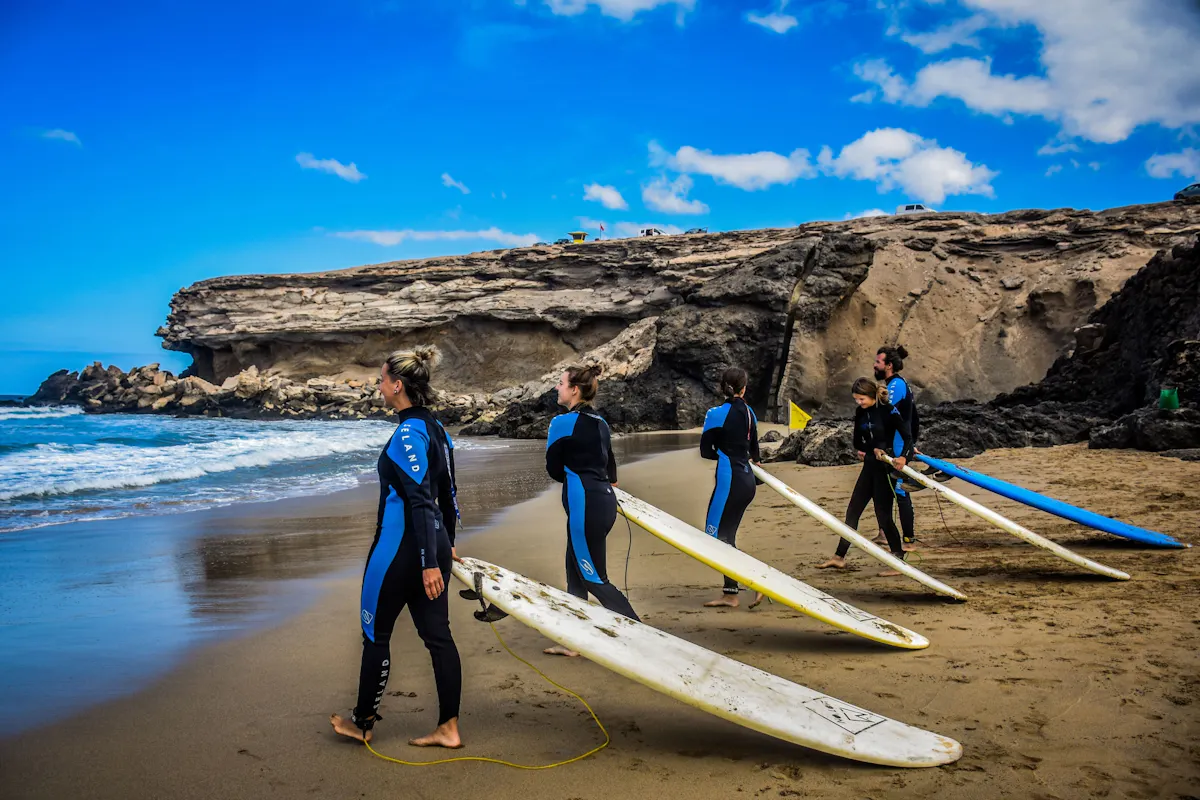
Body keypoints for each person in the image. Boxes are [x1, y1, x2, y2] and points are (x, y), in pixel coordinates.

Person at [330, 346, 463, 749]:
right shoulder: (436, 428)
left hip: (399, 552)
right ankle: (449, 728)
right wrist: (445, 546)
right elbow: (448, 495)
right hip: (430, 547)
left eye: (382, 380)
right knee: (438, 637)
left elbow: (420, 499)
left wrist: (428, 563)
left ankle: (362, 723)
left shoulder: (408, 433)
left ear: (398, 386)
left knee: (376, 634)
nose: (379, 387)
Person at [543, 364, 640, 657]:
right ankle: (575, 641)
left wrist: (575, 477)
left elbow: (553, 468)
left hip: (585, 505)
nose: (557, 388)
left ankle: (641, 635)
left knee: (592, 577)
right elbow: (611, 467)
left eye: (561, 383)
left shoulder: (561, 423)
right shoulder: (601, 422)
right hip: (604, 500)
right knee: (575, 572)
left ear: (574, 390)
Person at [816, 377, 913, 575]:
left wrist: (903, 457)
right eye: (856, 399)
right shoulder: (861, 412)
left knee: (883, 516)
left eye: (862, 399)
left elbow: (908, 437)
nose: (859, 403)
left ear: (871, 395)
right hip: (869, 466)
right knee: (852, 511)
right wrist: (872, 449)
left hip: (885, 468)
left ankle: (898, 559)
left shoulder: (888, 410)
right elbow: (857, 442)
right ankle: (839, 557)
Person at [699, 366, 764, 609]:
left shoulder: (716, 414)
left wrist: (722, 453)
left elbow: (705, 451)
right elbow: (755, 453)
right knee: (727, 537)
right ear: (744, 389)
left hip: (730, 482)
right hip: (747, 481)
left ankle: (756, 580)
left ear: (721, 387)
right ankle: (731, 593)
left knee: (714, 535)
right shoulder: (749, 413)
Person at [874, 345, 921, 551]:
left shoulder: (896, 385)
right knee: (883, 490)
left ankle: (909, 541)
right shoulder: (897, 384)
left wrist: (908, 448)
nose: (874, 365)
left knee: (900, 492)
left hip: (898, 447)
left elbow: (889, 417)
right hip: (895, 445)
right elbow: (913, 416)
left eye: (878, 362)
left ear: (889, 365)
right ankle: (884, 533)